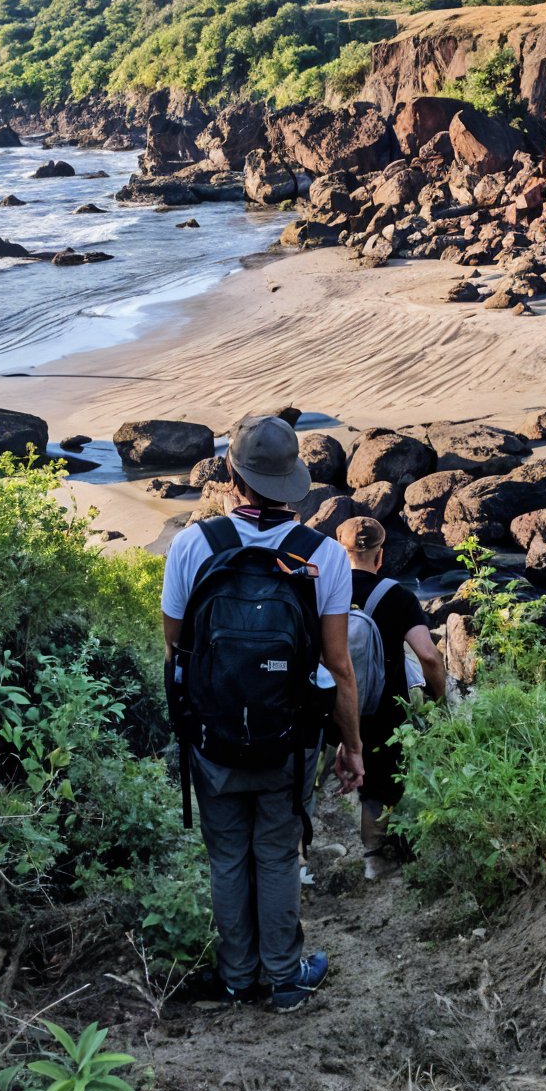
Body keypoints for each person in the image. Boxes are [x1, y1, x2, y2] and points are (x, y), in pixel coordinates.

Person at [161, 414, 363, 1012]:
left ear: (230, 473)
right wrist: (350, 746)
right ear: (294, 480)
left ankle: (236, 975)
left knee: (227, 854)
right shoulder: (322, 555)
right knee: (277, 852)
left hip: (212, 734)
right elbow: (338, 666)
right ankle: (284, 978)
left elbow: (177, 647)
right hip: (290, 738)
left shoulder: (194, 545)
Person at [333, 516, 446, 880]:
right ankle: (374, 859)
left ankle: (297, 862)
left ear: (340, 549)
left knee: (308, 781)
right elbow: (428, 655)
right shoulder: (398, 596)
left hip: (328, 702)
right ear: (380, 555)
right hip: (382, 706)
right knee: (381, 781)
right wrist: (436, 697)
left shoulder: (324, 592)